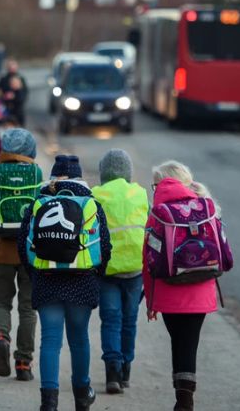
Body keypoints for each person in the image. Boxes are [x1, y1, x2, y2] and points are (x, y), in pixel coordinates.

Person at [19, 155, 112, 411]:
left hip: (47, 280)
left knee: (50, 340)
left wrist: (35, 273)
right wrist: (96, 275)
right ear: (79, 177)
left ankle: (49, 401)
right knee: (79, 339)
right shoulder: (91, 204)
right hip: (82, 281)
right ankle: (82, 395)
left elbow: (23, 245)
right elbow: (104, 246)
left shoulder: (39, 202)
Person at [143, 161, 221, 411]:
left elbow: (148, 260)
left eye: (155, 184)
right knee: (189, 342)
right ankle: (184, 397)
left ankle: (183, 399)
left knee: (179, 342)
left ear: (163, 184)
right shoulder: (206, 208)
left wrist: (151, 301)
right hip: (201, 288)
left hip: (168, 289)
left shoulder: (158, 213)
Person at [0, 128, 42, 382]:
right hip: (31, 253)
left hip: (3, 252)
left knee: (1, 302)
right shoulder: (39, 176)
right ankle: (23, 363)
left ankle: (0, 336)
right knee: (28, 308)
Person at [90, 150, 149, 394]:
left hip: (107, 269)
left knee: (111, 319)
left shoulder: (96, 195)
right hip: (136, 268)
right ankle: (126, 369)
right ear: (128, 171)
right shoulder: (140, 193)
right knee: (129, 321)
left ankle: (112, 371)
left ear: (104, 172)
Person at [0, 59, 28, 126]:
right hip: (6, 109)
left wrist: (16, 95)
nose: (12, 68)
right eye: (10, 66)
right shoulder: (3, 79)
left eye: (14, 66)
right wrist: (5, 96)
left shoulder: (21, 79)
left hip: (18, 110)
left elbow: (24, 94)